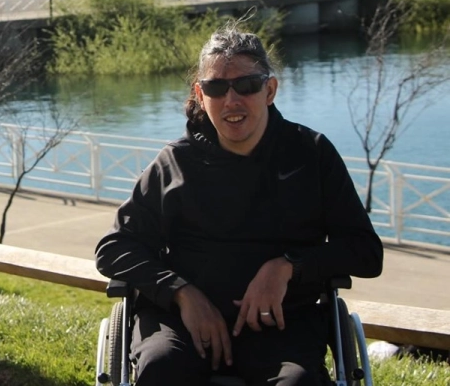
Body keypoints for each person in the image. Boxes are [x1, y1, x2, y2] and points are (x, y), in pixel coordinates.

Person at [95, 24, 383, 386]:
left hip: (281, 325)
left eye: (246, 85)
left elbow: (366, 252)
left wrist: (288, 267)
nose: (232, 100)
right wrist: (182, 293)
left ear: (270, 89)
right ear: (201, 95)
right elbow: (114, 248)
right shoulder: (175, 163)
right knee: (161, 369)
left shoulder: (311, 154)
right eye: (217, 88)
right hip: (183, 326)